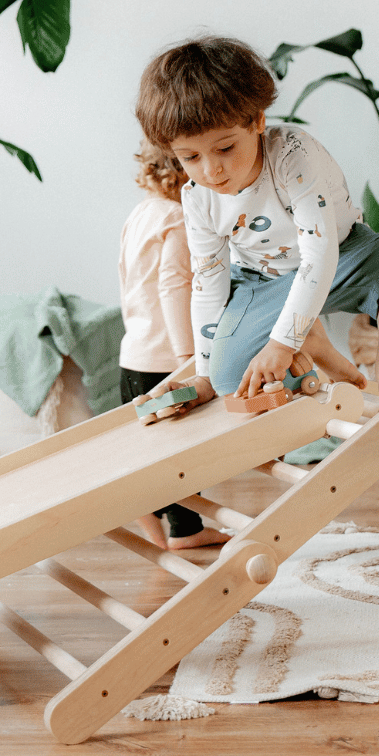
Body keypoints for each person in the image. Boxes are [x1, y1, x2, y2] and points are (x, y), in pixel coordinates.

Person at [133, 35, 379, 415]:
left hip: (342, 257)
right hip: (262, 282)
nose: (212, 170)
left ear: (257, 121)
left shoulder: (292, 155)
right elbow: (208, 283)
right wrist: (204, 376)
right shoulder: (197, 197)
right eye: (190, 157)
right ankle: (314, 341)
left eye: (225, 148)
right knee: (229, 383)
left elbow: (320, 255)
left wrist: (283, 343)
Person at [118, 140, 230, 549]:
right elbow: (173, 284)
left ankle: (159, 527)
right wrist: (188, 356)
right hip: (166, 356)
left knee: (149, 451)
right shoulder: (178, 218)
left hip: (134, 353)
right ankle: (186, 529)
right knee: (182, 453)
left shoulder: (140, 215)